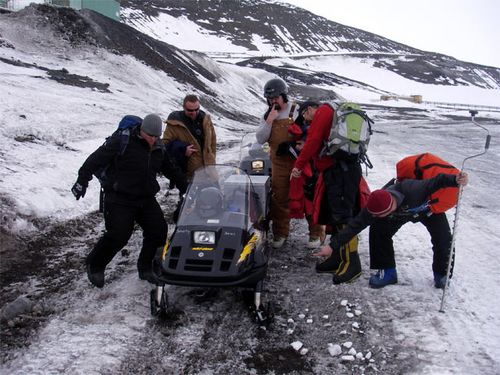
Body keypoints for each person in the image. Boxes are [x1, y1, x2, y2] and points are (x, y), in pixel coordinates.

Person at [71, 114, 188, 288]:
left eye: (157, 137)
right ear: (142, 131)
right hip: (119, 197)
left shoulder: (158, 148)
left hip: (145, 197)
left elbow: (171, 169)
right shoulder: (122, 142)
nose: (153, 140)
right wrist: (82, 180)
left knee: (158, 230)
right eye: (150, 136)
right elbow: (95, 160)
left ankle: (145, 267)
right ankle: (95, 265)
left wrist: (188, 188)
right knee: (119, 234)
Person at [313, 172, 469, 289]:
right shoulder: (374, 207)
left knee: (443, 238)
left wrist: (455, 179)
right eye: (372, 214)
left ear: (387, 210)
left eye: (376, 215)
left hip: (426, 208)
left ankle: (442, 274)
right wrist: (331, 247)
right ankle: (387, 272)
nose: (371, 216)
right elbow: (354, 226)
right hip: (398, 214)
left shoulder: (414, 189)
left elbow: (438, 180)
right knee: (378, 229)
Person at [291, 101, 365, 284]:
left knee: (342, 218)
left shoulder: (324, 112)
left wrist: (298, 165)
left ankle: (352, 264)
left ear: (309, 110)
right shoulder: (334, 112)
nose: (305, 120)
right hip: (342, 170)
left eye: (304, 116)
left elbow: (313, 141)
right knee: (335, 217)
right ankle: (338, 258)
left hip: (339, 172)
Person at [256, 79, 324, 249]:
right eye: (270, 99)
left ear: (284, 96)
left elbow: (315, 131)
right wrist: (269, 121)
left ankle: (316, 233)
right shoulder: (267, 115)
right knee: (279, 199)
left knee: (308, 196)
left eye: (276, 98)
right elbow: (260, 138)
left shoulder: (297, 110)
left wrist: (301, 144)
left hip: (301, 162)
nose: (273, 101)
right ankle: (280, 234)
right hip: (278, 164)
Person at [162, 94, 217, 180]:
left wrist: (212, 157)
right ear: (183, 107)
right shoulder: (174, 123)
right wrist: (183, 149)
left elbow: (213, 141)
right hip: (190, 175)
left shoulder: (206, 120)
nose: (194, 113)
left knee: (215, 193)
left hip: (210, 172)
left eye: (197, 109)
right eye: (190, 110)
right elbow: (165, 145)